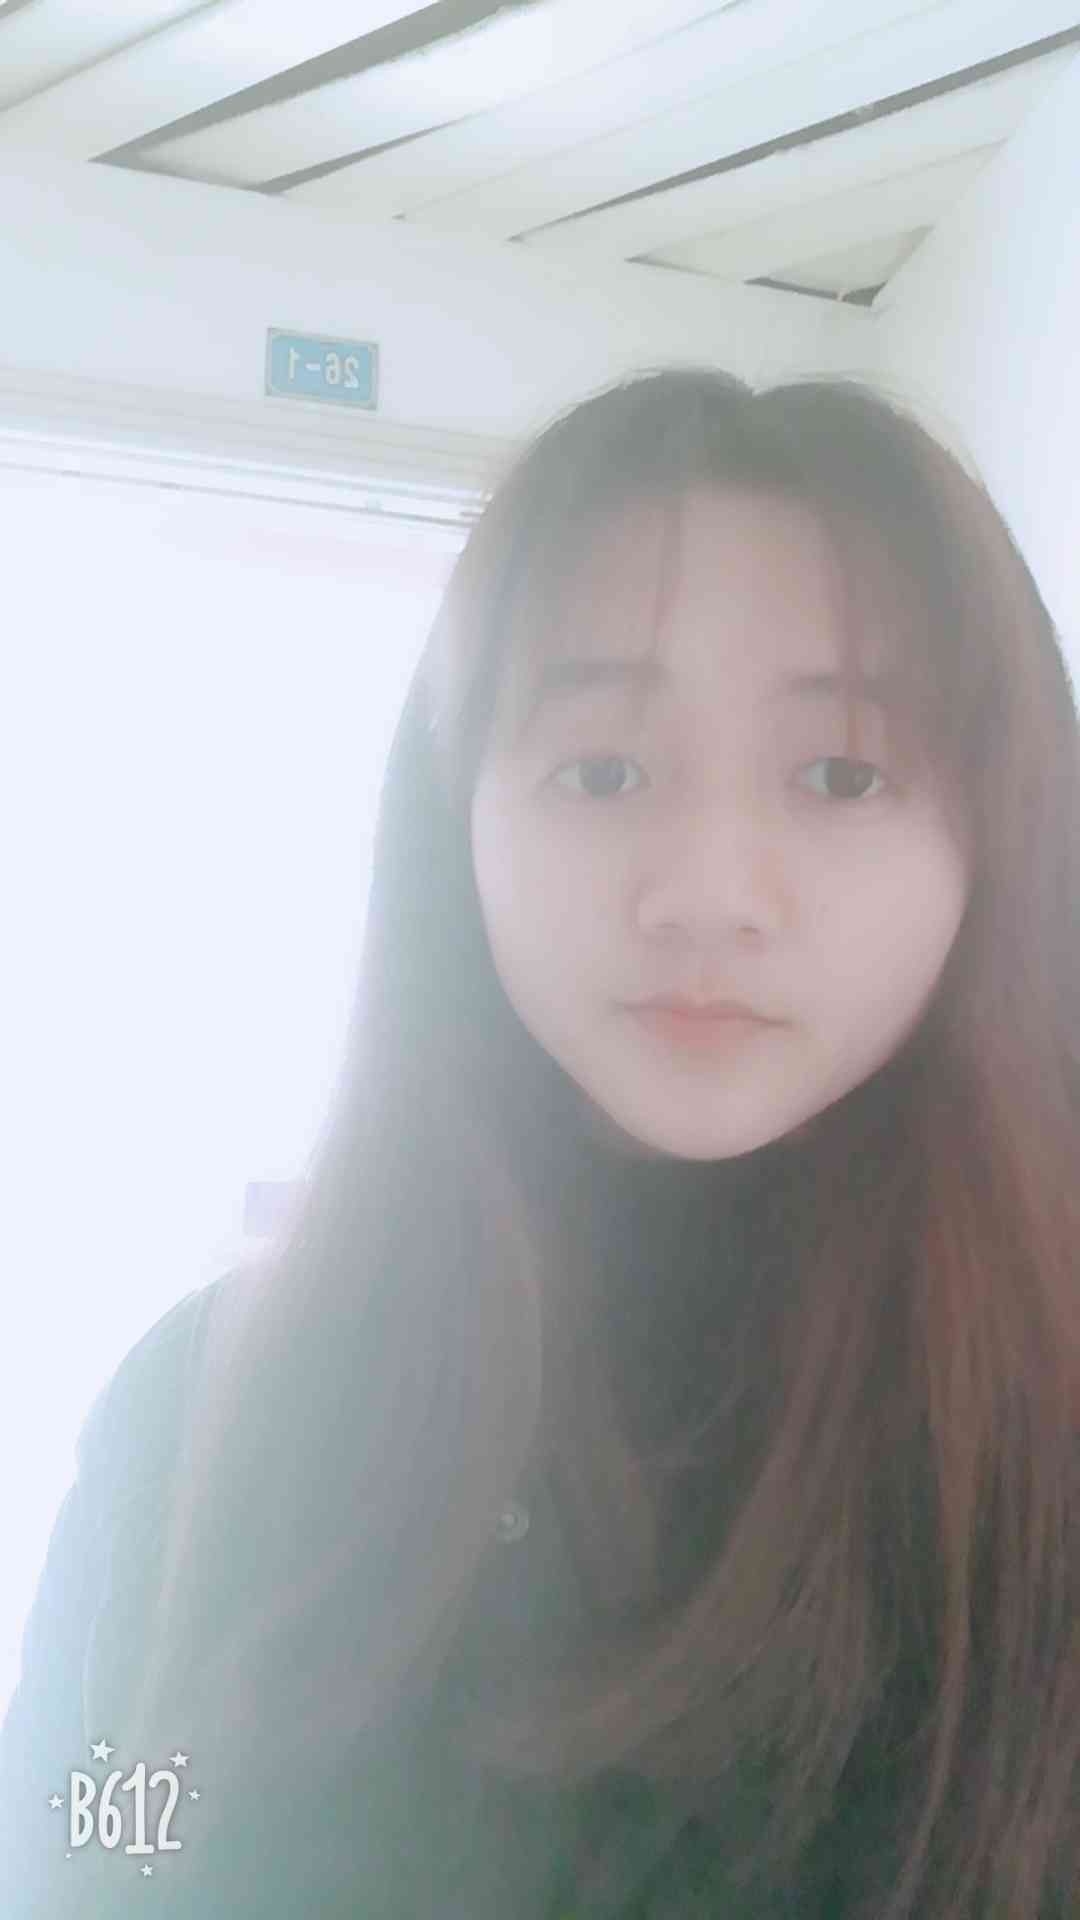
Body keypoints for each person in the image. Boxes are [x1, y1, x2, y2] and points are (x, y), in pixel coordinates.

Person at [2, 365, 1078, 1919]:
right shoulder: (208, 1411)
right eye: (603, 769)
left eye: (841, 772)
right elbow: (87, 1849)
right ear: (460, 819)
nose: (707, 893)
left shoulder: (1038, 1447)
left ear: (1001, 839)